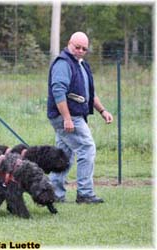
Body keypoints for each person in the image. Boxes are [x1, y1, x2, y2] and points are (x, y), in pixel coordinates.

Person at [47, 31, 113, 204]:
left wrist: (102, 111)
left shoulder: (81, 64)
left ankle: (54, 194)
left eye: (84, 48)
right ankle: (85, 193)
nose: (81, 51)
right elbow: (58, 91)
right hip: (68, 117)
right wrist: (67, 118)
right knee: (87, 148)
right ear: (69, 44)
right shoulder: (63, 64)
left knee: (63, 155)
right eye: (77, 47)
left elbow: (89, 94)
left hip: (73, 116)